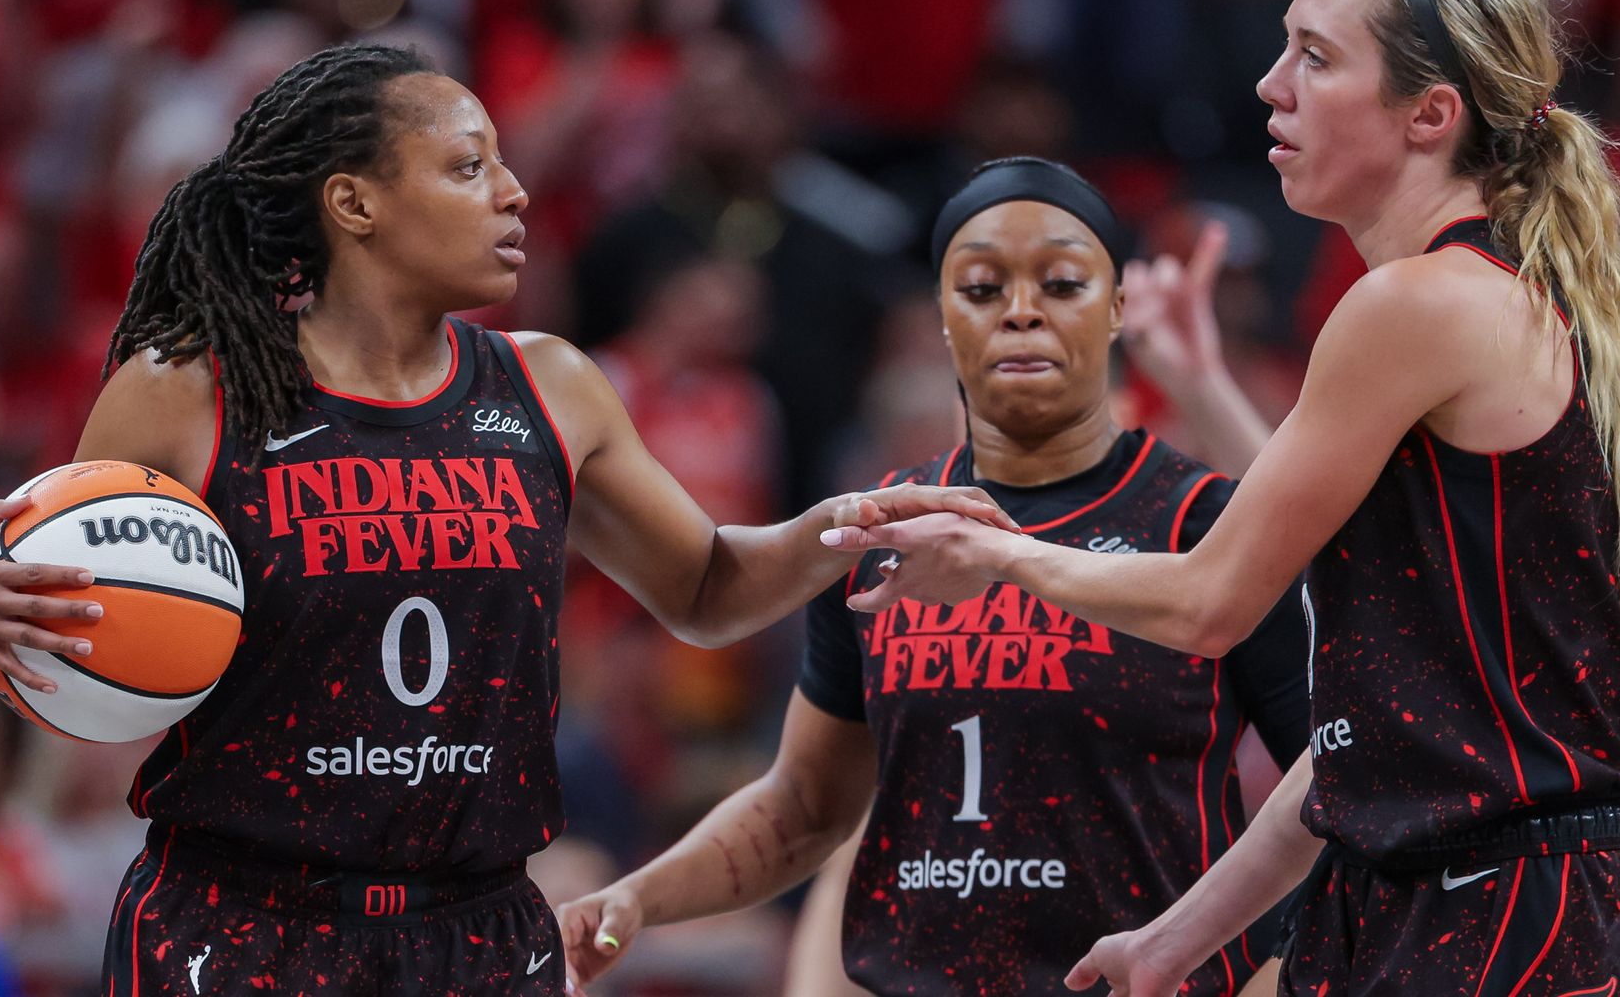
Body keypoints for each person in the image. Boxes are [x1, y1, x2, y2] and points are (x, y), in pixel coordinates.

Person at [0, 43, 1009, 996]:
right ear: (355, 203)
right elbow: (59, 612)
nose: (517, 192)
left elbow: (709, 590)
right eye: (470, 167)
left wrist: (850, 525)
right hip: (241, 921)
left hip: (478, 929)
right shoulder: (191, 388)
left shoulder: (550, 387)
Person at [818, 0, 1620, 995]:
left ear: (1430, 115)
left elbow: (1211, 601)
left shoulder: (1415, 305)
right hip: (1449, 898)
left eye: (1316, 57)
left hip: (1500, 915)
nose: (1272, 84)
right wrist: (1174, 940)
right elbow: (1367, 735)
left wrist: (998, 554)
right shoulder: (1467, 300)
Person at [556, 157, 1310, 995]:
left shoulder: (1204, 522)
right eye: (982, 289)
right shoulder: (882, 527)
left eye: (1061, 283)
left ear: (1119, 310)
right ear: (944, 319)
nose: (1021, 313)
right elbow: (805, 805)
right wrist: (636, 898)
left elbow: (1333, 774)